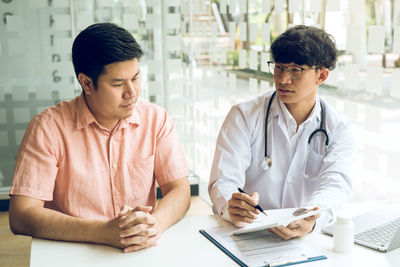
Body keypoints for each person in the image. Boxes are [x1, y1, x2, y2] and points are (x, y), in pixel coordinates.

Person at [9, 23, 190, 252]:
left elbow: (180, 190)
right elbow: (21, 215)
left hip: (140, 251)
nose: (131, 92)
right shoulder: (48, 128)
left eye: (135, 78)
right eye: (117, 83)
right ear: (86, 83)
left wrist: (152, 226)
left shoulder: (156, 120)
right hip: (73, 252)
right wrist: (103, 232)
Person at [209, 25, 356, 240]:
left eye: (296, 70)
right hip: (247, 232)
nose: (283, 79)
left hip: (305, 238)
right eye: (279, 67)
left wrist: (312, 217)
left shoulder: (340, 128)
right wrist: (231, 205)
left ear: (321, 76)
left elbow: (336, 184)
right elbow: (223, 180)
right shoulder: (243, 115)